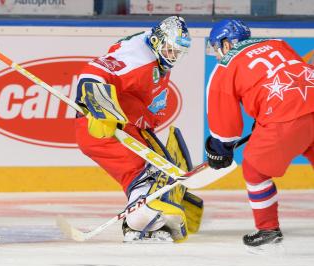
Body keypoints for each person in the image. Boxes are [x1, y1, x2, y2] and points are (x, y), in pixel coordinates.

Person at [74, 16, 203, 243]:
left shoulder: (156, 56)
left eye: (177, 52)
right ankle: (139, 222)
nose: (173, 56)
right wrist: (100, 108)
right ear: (157, 40)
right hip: (103, 129)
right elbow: (92, 72)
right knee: (144, 175)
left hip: (128, 125)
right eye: (170, 49)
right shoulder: (139, 57)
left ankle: (157, 208)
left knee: (158, 168)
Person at [205, 19, 314, 248]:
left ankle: (267, 228)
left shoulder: (225, 65)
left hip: (285, 118)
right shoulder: (277, 43)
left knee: (255, 170)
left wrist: (220, 149)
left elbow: (225, 122)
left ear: (226, 43)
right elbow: (295, 73)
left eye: (217, 47)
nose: (217, 54)